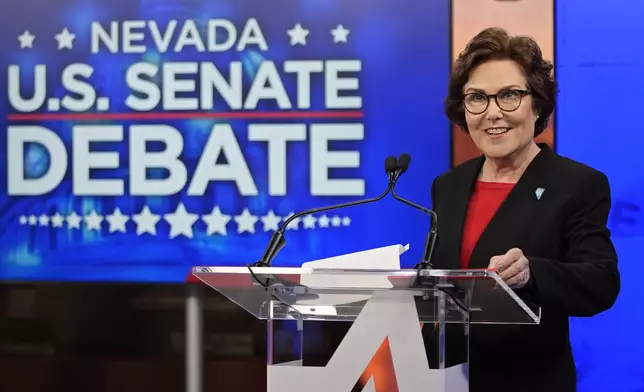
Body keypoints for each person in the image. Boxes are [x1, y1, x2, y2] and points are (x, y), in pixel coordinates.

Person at [431, 27, 621, 392]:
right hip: (446, 379)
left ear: (538, 104)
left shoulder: (577, 184)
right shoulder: (448, 186)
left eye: (510, 96)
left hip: (530, 380)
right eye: (477, 98)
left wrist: (531, 274)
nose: (492, 113)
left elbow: (601, 282)